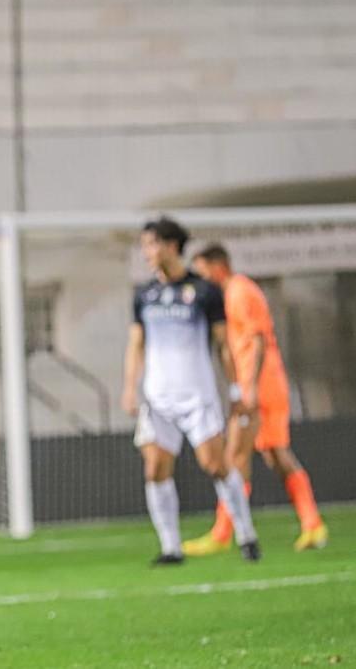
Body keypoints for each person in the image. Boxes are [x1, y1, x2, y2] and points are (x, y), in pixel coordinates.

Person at [120, 216, 261, 565]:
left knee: (215, 464)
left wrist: (235, 389)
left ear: (171, 245)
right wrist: (129, 388)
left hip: (197, 395)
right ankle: (171, 547)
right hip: (157, 398)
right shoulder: (144, 295)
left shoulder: (204, 292)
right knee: (154, 468)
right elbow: (136, 345)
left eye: (152, 244)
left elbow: (223, 345)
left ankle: (245, 533)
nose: (147, 252)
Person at [185, 244, 328, 554]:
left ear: (217, 265)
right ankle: (313, 524)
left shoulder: (240, 291)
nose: (201, 278)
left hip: (260, 386)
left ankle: (223, 533)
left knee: (235, 454)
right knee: (276, 455)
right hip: (265, 383)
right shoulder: (233, 292)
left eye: (202, 270)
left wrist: (247, 387)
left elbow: (259, 338)